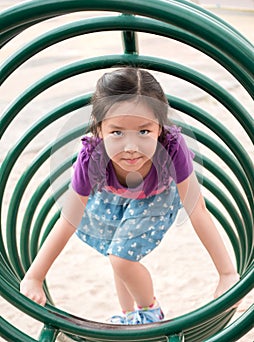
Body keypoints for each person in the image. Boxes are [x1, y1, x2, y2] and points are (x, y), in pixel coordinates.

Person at [20, 67, 240, 325]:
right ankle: (128, 316)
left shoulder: (172, 146)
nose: (131, 147)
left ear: (159, 127)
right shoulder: (91, 156)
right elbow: (69, 218)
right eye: (117, 132)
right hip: (111, 198)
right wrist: (35, 275)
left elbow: (197, 209)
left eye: (144, 131)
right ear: (99, 129)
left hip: (156, 196)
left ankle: (149, 312)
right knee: (117, 255)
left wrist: (226, 273)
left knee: (121, 258)